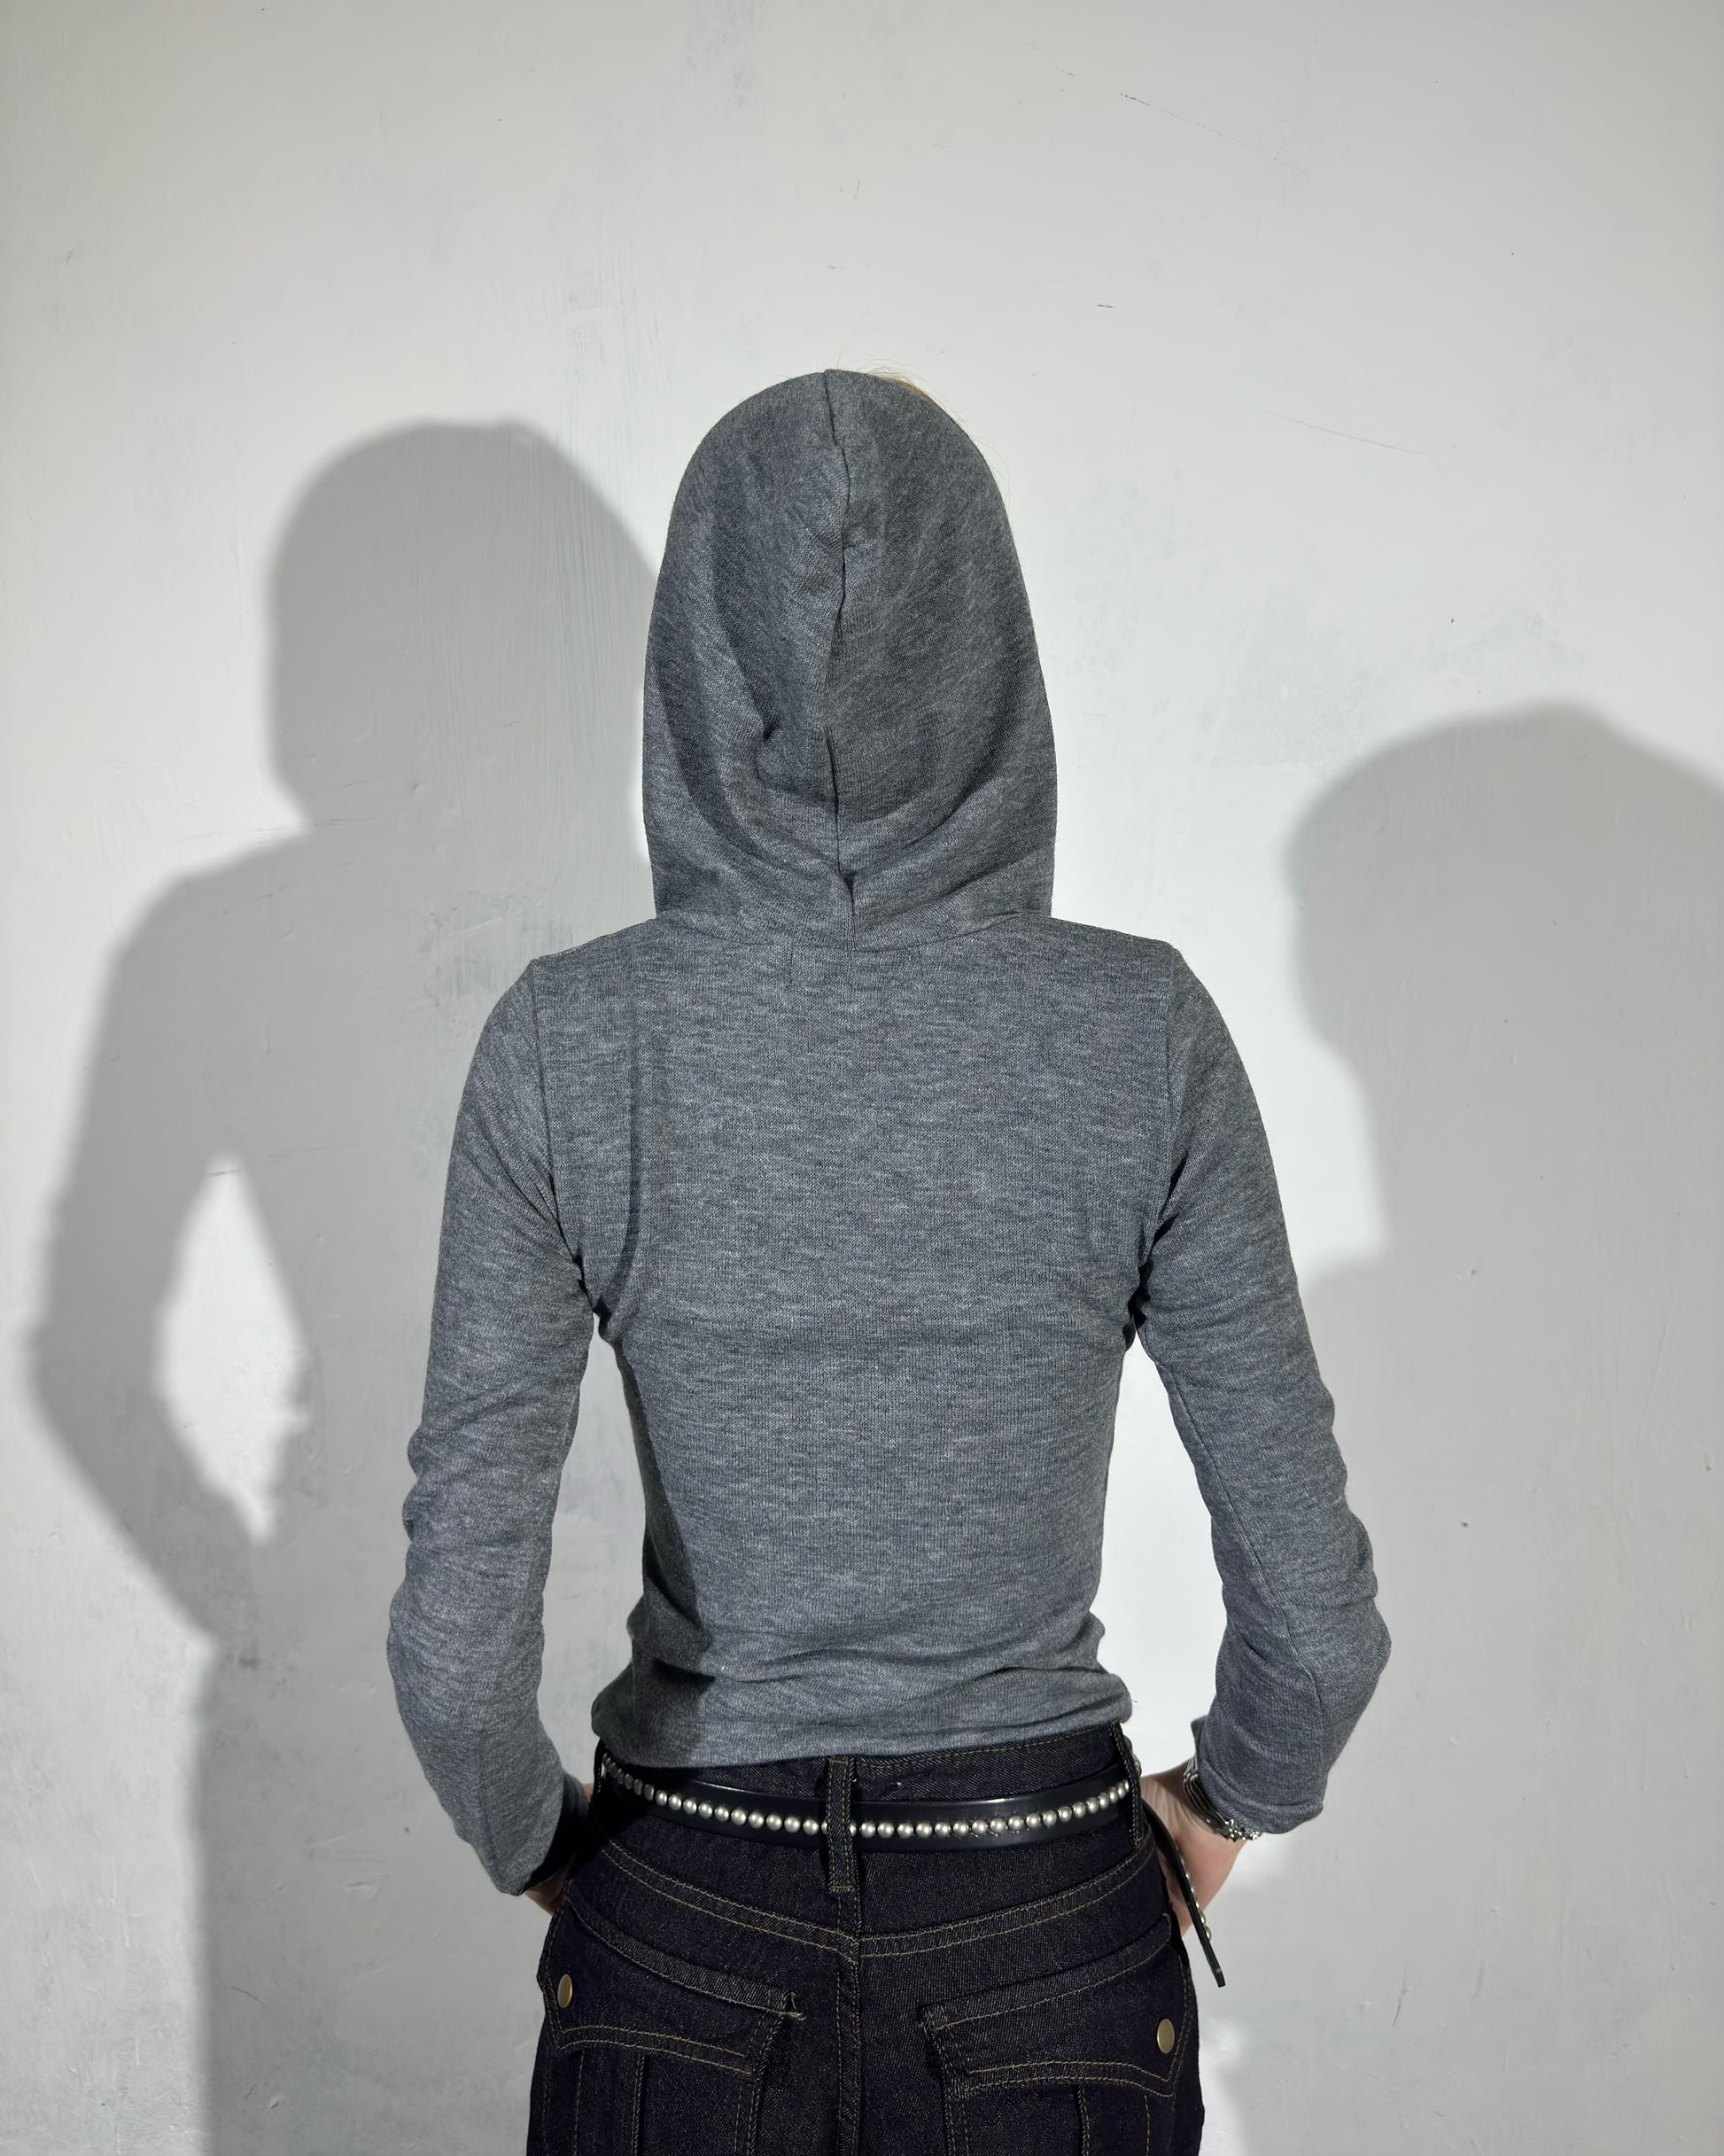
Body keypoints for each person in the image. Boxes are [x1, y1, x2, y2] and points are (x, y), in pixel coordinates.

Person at [385, 368, 1391, 2153]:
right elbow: (1313, 1625)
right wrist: (1230, 1800)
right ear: (989, 652)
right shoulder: (1139, 1033)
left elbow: (457, 1660)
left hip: (683, 1910)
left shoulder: (569, 1043)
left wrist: (552, 1852)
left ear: (697, 662)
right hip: (1045, 1921)